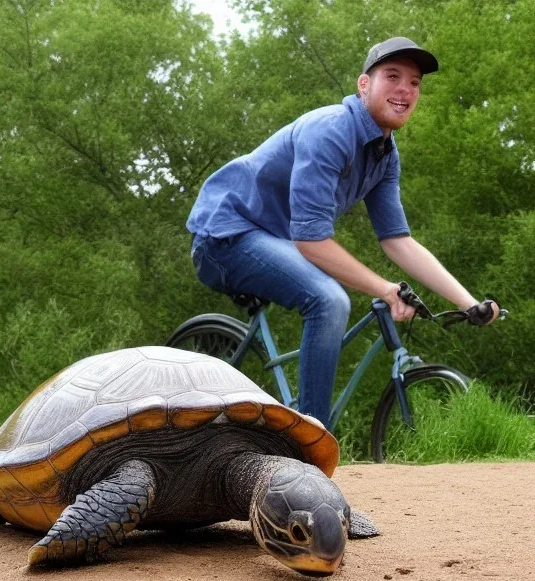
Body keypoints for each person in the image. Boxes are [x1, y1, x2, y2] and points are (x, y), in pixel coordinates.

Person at [186, 36, 498, 427]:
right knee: (330, 300)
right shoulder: (331, 130)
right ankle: (310, 442)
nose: (405, 89)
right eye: (393, 76)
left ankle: (290, 427)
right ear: (363, 85)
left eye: (415, 83)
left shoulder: (385, 154)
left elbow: (397, 241)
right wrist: (385, 288)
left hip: (273, 240)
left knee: (331, 298)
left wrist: (470, 303)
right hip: (224, 235)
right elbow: (311, 240)